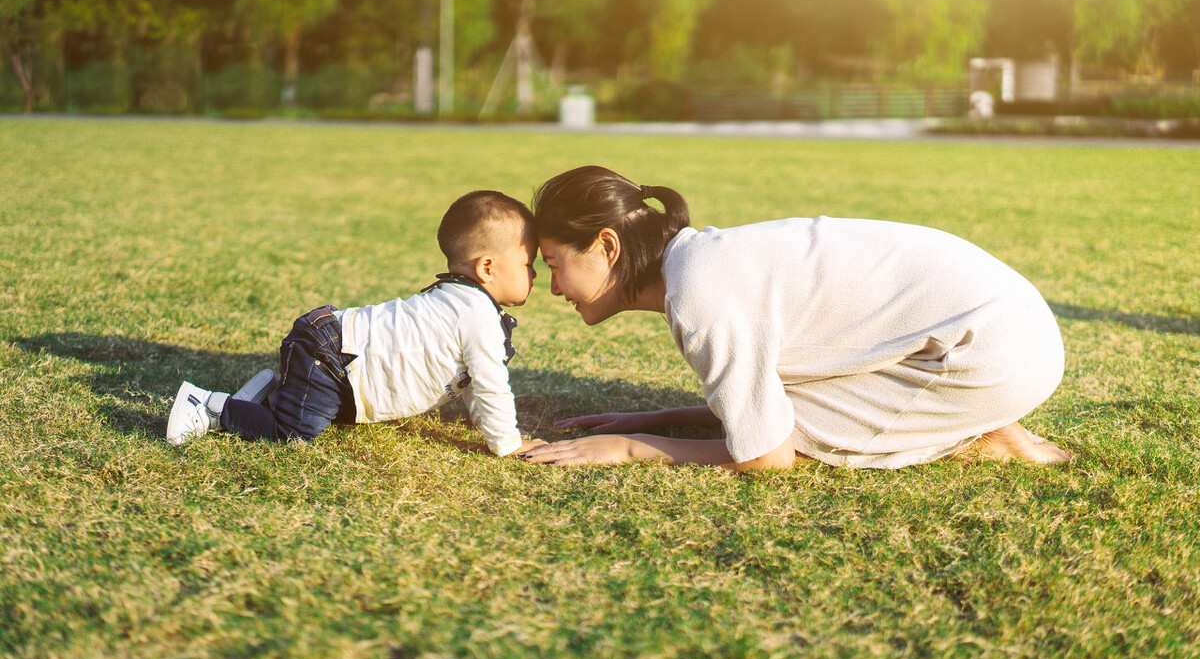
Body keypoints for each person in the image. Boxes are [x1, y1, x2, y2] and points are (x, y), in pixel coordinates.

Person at [522, 165, 1072, 472]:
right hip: (1009, 331)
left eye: (554, 265)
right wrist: (664, 416)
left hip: (993, 353)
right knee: (781, 414)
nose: (552, 288)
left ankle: (978, 433)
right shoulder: (701, 262)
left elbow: (766, 456)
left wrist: (629, 447)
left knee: (804, 436)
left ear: (607, 246)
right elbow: (760, 405)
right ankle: (967, 418)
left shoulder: (698, 293)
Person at [167, 190, 546, 457]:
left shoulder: (461, 301)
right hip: (332, 355)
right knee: (294, 433)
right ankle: (209, 407)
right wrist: (507, 443)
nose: (534, 274)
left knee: (326, 416)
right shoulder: (475, 314)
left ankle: (265, 397)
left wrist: (483, 428)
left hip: (334, 351)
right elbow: (491, 384)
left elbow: (473, 384)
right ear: (487, 267)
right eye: (528, 264)